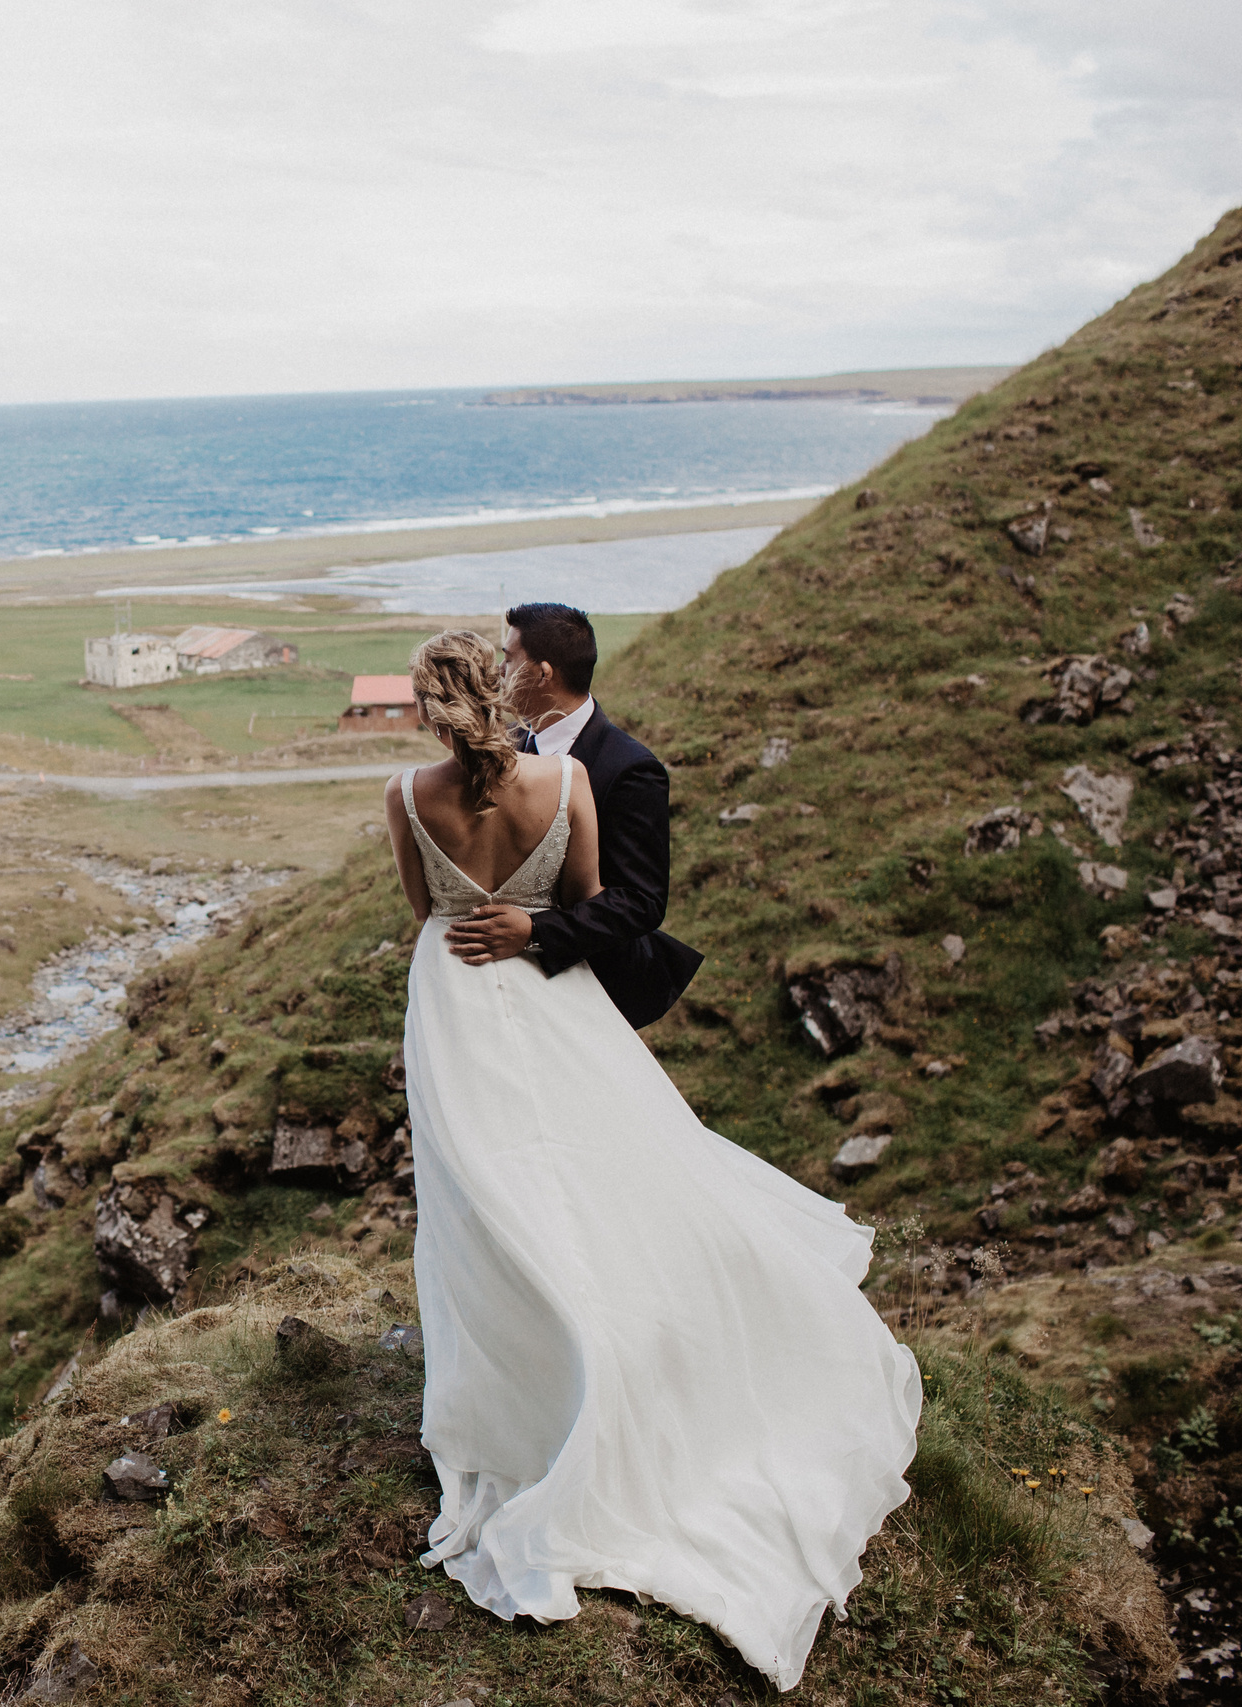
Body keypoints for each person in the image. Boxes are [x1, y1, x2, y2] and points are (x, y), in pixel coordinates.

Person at [382, 629, 922, 1693]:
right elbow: (590, 903)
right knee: (597, 1168)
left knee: (482, 1192)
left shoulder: (406, 796)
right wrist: (529, 922)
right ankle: (610, 1334)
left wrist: (477, 916)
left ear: (424, 708)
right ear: (498, 693)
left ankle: (528, 1366)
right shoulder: (570, 778)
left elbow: (420, 913)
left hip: (452, 995)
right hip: (551, 997)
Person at [441, 602, 701, 1030]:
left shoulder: (630, 768)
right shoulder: (505, 746)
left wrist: (535, 931)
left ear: (543, 673)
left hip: (590, 981)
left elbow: (641, 902)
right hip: (498, 981)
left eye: (508, 659)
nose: (499, 674)